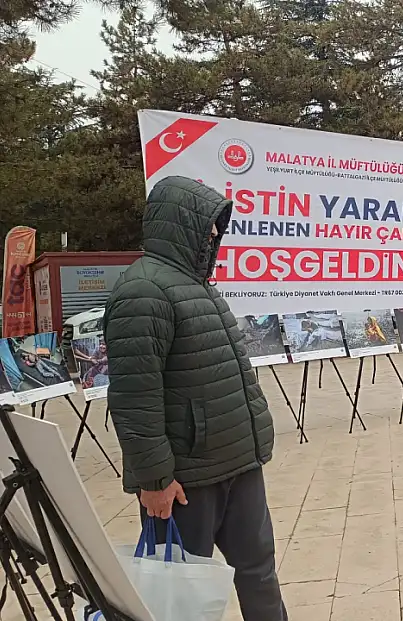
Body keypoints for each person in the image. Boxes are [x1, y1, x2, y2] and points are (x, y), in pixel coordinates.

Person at [104, 176, 287, 621]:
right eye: (207, 224)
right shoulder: (143, 291)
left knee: (258, 571)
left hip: (238, 464)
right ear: (179, 223)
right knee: (181, 596)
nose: (213, 234)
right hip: (185, 482)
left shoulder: (199, 286)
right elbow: (134, 399)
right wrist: (154, 480)